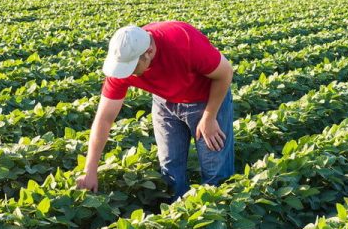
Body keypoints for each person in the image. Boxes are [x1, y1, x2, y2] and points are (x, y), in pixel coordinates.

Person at [76, 21, 235, 201]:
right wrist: (90, 170)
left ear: (149, 52)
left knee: (215, 170)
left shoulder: (182, 41)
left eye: (132, 68)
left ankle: (219, 219)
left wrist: (209, 117)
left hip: (206, 99)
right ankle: (179, 217)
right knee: (170, 168)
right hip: (164, 102)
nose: (126, 74)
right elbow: (104, 118)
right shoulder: (123, 63)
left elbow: (225, 73)